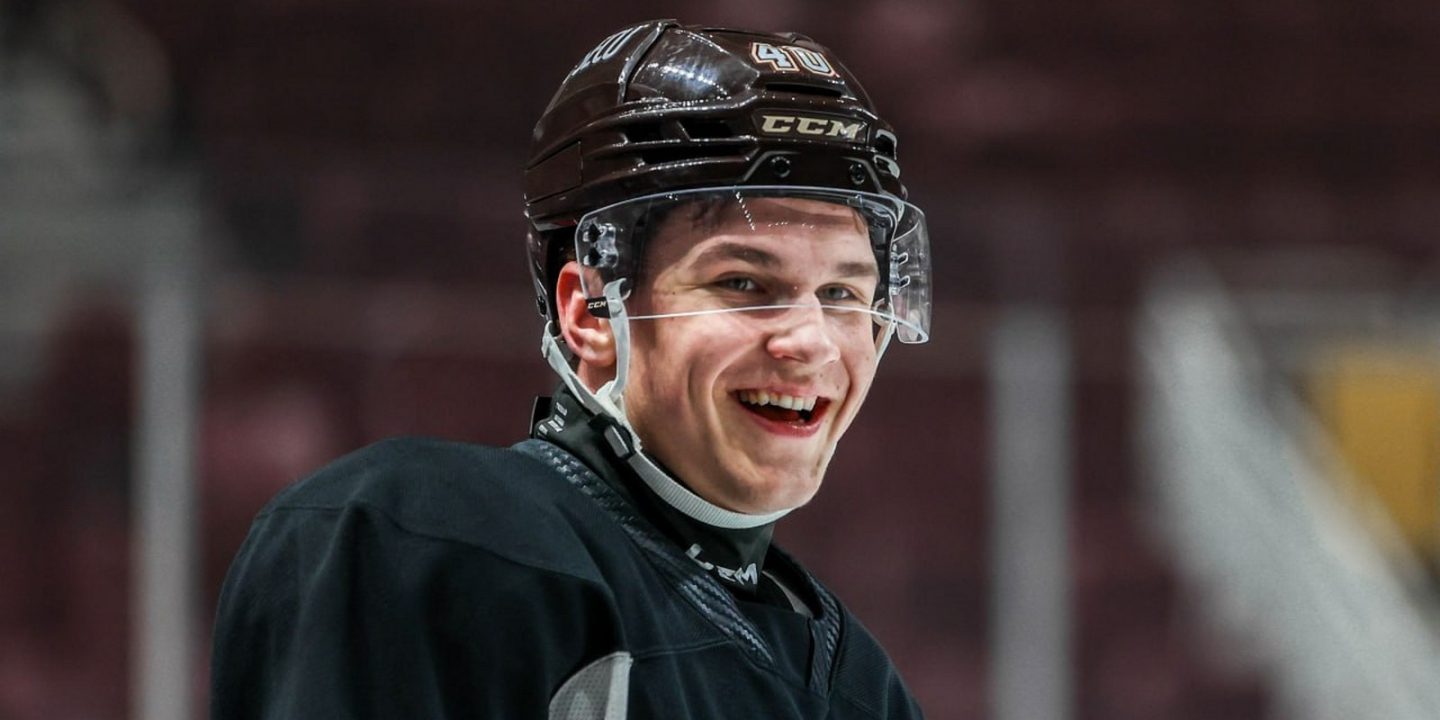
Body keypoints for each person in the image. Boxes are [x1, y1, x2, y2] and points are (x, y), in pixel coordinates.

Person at [211, 19, 932, 719]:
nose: (811, 343)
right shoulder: (426, 544)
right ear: (591, 313)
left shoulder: (864, 691)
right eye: (742, 283)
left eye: (842, 294)